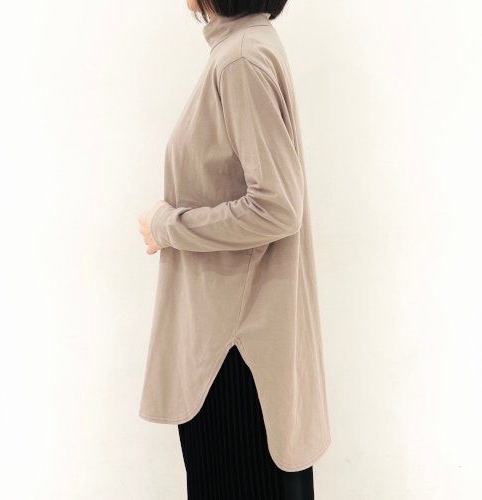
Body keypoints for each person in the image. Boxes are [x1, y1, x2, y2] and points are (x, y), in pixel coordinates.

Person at [138, 1, 331, 498]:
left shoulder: (240, 59)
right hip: (235, 339)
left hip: (235, 350)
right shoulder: (245, 48)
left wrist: (167, 226)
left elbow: (276, 208)